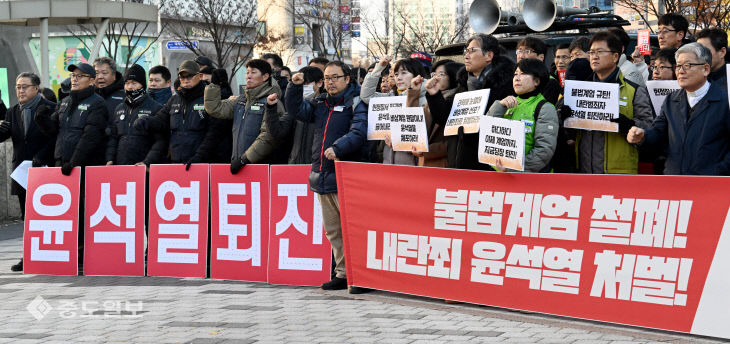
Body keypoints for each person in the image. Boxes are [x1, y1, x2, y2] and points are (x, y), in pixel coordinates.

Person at [282, 61, 367, 294]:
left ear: (347, 79)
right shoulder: (320, 103)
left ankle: (360, 275)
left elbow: (359, 132)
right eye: (327, 78)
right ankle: (343, 273)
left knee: (352, 228)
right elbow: (296, 110)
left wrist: (338, 148)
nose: (330, 82)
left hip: (346, 175)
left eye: (335, 77)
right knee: (333, 229)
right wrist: (293, 87)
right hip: (323, 174)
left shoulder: (356, 102)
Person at [627, 43, 730, 175]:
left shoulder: (724, 102)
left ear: (705, 69)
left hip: (709, 185)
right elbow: (658, 133)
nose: (681, 71)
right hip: (674, 182)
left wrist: (718, 171)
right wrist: (643, 136)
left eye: (687, 65)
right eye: (678, 66)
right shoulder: (671, 100)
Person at [427, 33, 515, 170]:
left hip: (488, 167)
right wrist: (434, 95)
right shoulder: (463, 86)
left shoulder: (506, 86)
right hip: (458, 162)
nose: (466, 56)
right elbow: (445, 119)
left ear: (489, 56)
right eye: (465, 51)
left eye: (472, 51)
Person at [0, 72, 56, 272]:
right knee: (27, 216)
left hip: (45, 169)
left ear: (36, 88)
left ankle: (52, 253)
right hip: (21, 172)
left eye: (24, 86)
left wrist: (42, 155)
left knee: (48, 215)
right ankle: (29, 256)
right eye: (17, 87)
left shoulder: (50, 109)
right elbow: (4, 135)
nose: (20, 90)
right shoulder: (12, 111)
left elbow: (55, 137)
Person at [575, 31, 653, 174]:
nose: (594, 57)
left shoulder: (634, 90)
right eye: (591, 52)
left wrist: (625, 124)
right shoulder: (580, 90)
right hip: (585, 173)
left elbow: (649, 129)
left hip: (620, 175)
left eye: (600, 51)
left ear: (615, 56)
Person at [134, 60, 226, 168]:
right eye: (182, 77)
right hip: (176, 163)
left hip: (202, 165)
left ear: (200, 76)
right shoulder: (174, 99)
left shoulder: (209, 98)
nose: (186, 80)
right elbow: (161, 119)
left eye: (190, 76)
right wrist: (145, 121)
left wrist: (199, 157)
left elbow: (214, 133)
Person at [204, 59, 283, 172]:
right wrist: (214, 85)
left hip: (261, 167)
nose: (248, 76)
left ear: (265, 76)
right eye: (247, 72)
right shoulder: (241, 100)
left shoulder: (272, 102)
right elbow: (215, 109)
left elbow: (268, 136)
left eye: (253, 72)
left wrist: (245, 159)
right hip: (239, 165)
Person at [486, 58, 559, 172]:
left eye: (523, 74)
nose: (517, 78)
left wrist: (514, 168)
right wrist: (499, 106)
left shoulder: (545, 108)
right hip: (499, 175)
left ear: (537, 81)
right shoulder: (508, 103)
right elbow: (487, 134)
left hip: (528, 180)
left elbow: (544, 150)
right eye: (515, 74)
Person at [35, 63, 108, 174]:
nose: (74, 79)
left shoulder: (97, 103)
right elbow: (53, 131)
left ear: (92, 81)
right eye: (73, 75)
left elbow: (90, 137)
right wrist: (41, 118)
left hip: (85, 165)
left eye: (80, 76)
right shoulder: (65, 101)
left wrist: (74, 163)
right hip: (61, 162)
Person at [362, 57, 428, 166]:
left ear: (417, 75)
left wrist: (399, 143)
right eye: (396, 74)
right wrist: (379, 68)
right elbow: (366, 96)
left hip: (413, 166)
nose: (399, 78)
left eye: (404, 73)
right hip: (389, 163)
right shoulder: (392, 96)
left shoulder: (426, 100)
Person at [105, 64, 165, 166]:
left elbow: (160, 141)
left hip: (143, 168)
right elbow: (113, 138)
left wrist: (147, 162)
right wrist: (110, 158)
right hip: (120, 166)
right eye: (127, 83)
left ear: (143, 85)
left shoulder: (156, 108)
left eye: (134, 83)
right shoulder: (120, 108)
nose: (130, 87)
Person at [408, 60, 463, 167]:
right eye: (434, 74)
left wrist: (427, 150)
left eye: (441, 74)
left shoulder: (459, 101)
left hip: (444, 165)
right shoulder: (432, 100)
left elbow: (456, 142)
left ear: (453, 76)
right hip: (425, 164)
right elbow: (412, 122)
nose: (435, 78)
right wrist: (414, 92)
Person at [266, 66, 324, 164]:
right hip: (295, 165)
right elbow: (277, 132)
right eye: (301, 84)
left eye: (307, 83)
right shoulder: (295, 109)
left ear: (319, 83)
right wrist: (271, 109)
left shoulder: (325, 108)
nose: (304, 87)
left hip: (316, 165)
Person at [515, 37, 561, 104]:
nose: (521, 56)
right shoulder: (514, 80)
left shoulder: (550, 83)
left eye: (527, 51)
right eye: (519, 51)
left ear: (541, 57)